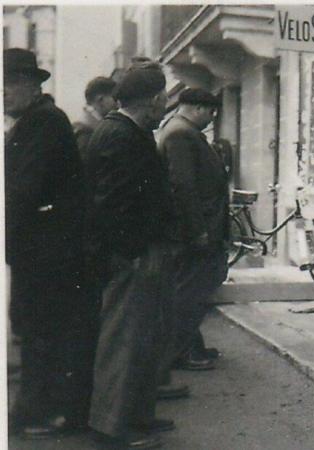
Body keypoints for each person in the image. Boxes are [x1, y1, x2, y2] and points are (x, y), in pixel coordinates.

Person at [4, 48, 98, 438]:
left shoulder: (43, 123)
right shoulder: (32, 122)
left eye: (8, 84)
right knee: (40, 330)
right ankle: (40, 409)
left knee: (47, 333)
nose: (2, 93)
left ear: (31, 84)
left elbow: (24, 189)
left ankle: (50, 413)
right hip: (43, 250)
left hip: (52, 252)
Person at [83, 59, 175, 449]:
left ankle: (135, 418)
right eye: (164, 100)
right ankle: (111, 430)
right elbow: (113, 206)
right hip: (131, 257)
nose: (165, 107)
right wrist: (132, 253)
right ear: (154, 100)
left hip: (132, 253)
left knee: (138, 340)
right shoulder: (123, 137)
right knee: (123, 341)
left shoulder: (119, 131)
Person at [156, 88, 229, 380]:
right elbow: (183, 186)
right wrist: (197, 230)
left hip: (199, 227)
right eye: (210, 112)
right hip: (195, 231)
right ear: (197, 108)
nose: (212, 119)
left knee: (191, 288)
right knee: (190, 290)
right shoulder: (180, 134)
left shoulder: (179, 131)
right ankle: (180, 351)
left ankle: (191, 344)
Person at [73, 76, 117, 159]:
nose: (117, 104)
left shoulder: (87, 125)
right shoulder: (85, 130)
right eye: (114, 98)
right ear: (100, 100)